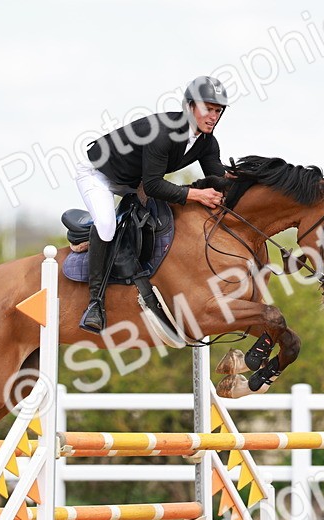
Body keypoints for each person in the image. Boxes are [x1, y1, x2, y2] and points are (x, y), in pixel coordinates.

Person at [75, 75, 230, 333]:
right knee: (106, 224)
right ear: (190, 107)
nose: (212, 116)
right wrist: (197, 194)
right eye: (207, 109)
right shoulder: (163, 133)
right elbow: (155, 185)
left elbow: (220, 181)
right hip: (99, 174)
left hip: (134, 181)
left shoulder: (207, 142)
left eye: (217, 111)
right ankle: (95, 304)